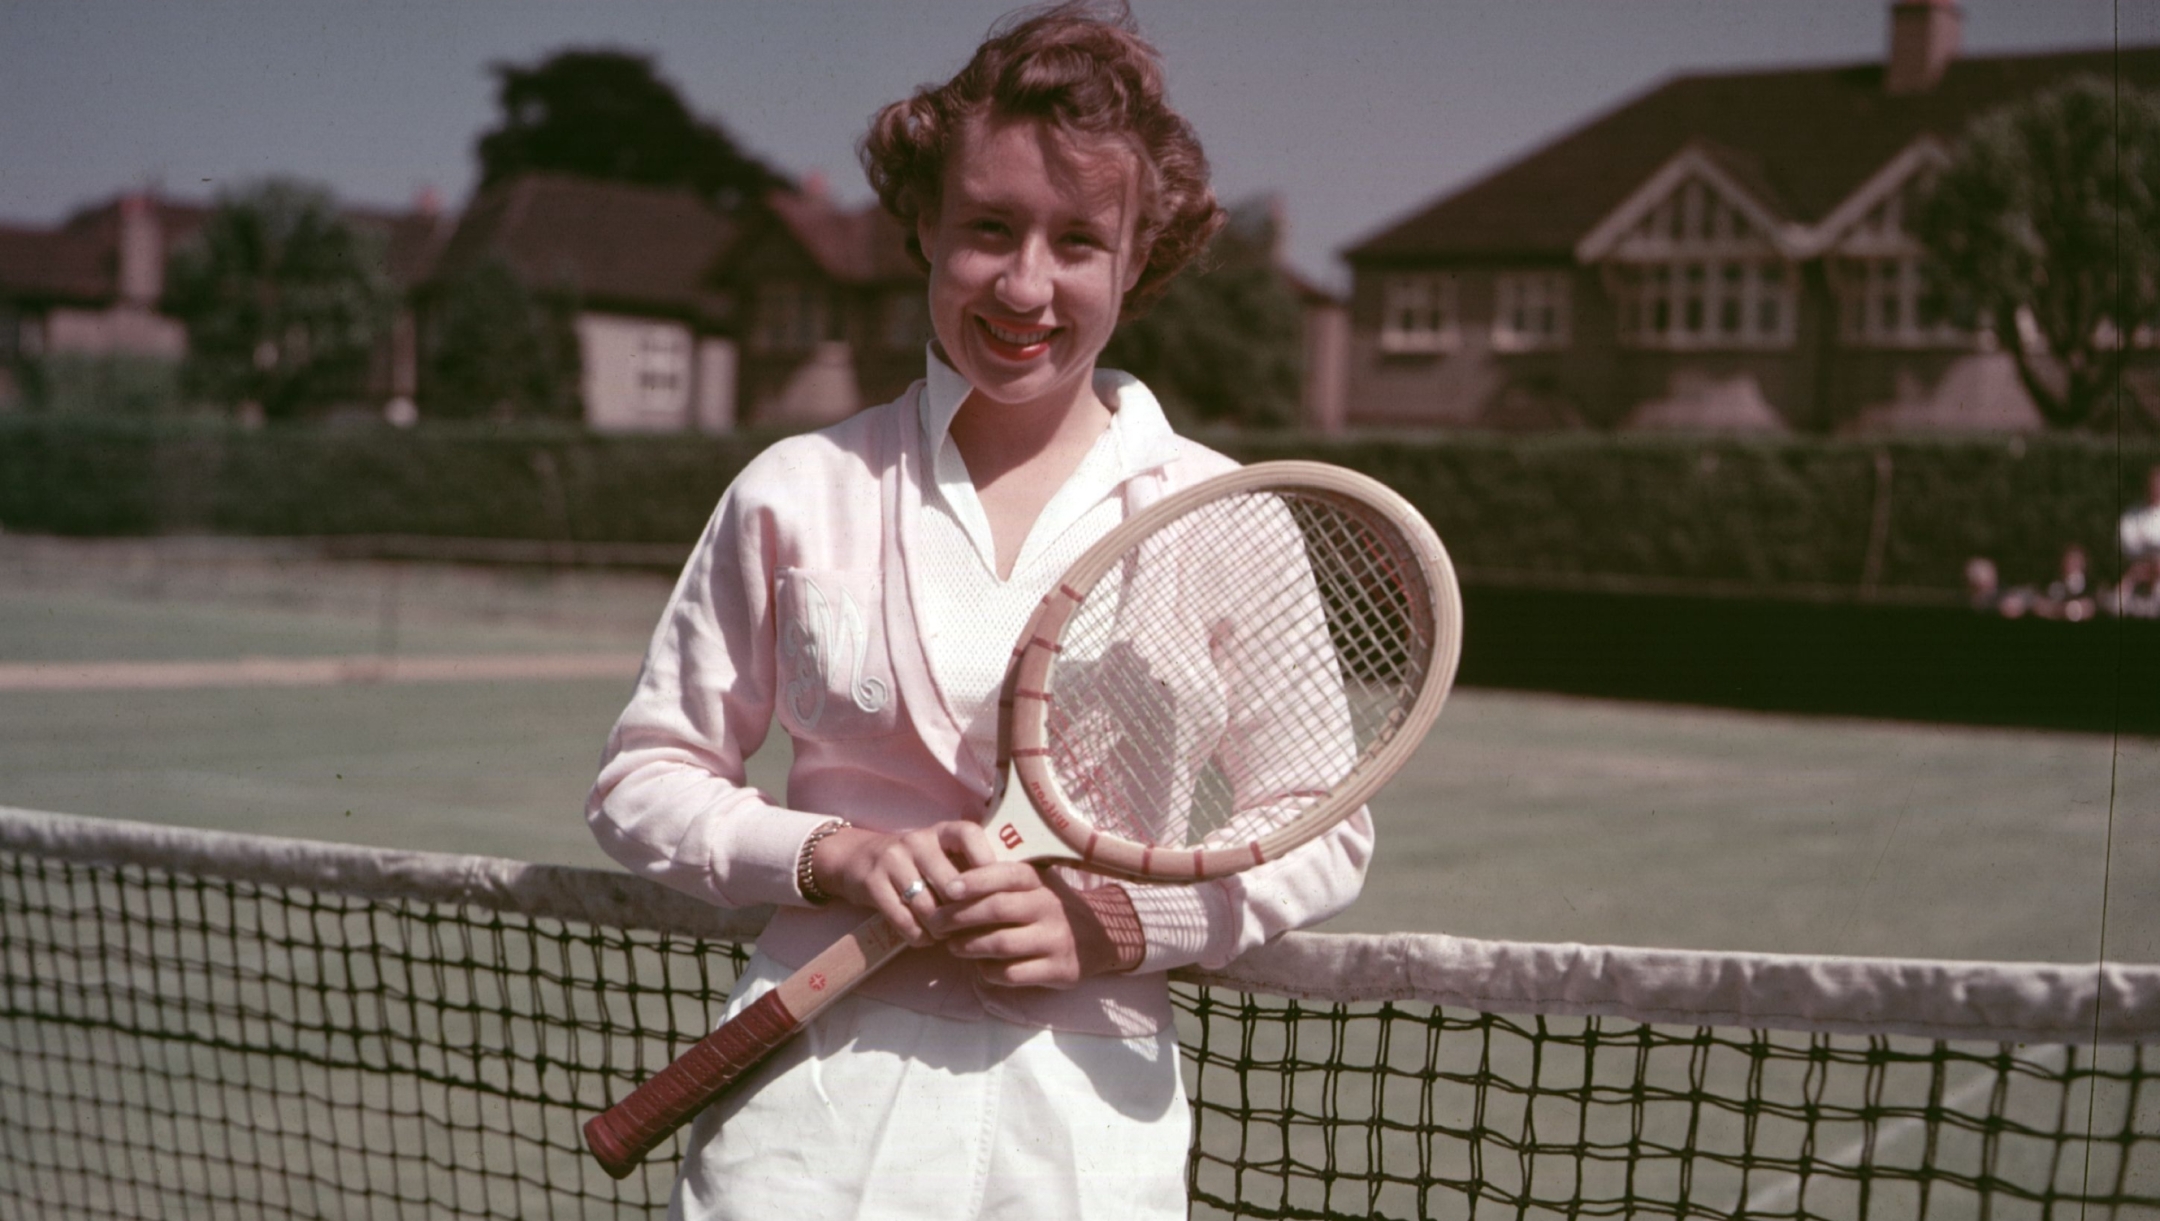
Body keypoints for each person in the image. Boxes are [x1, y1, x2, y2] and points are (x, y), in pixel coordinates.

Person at [585, 6, 1371, 1218]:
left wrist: (1122, 921)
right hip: (806, 1130)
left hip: (1085, 1137)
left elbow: (1322, 826)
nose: (1024, 285)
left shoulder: (1225, 514)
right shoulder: (796, 490)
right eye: (988, 230)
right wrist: (834, 855)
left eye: (1077, 243)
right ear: (923, 228)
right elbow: (645, 780)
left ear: (1137, 260)